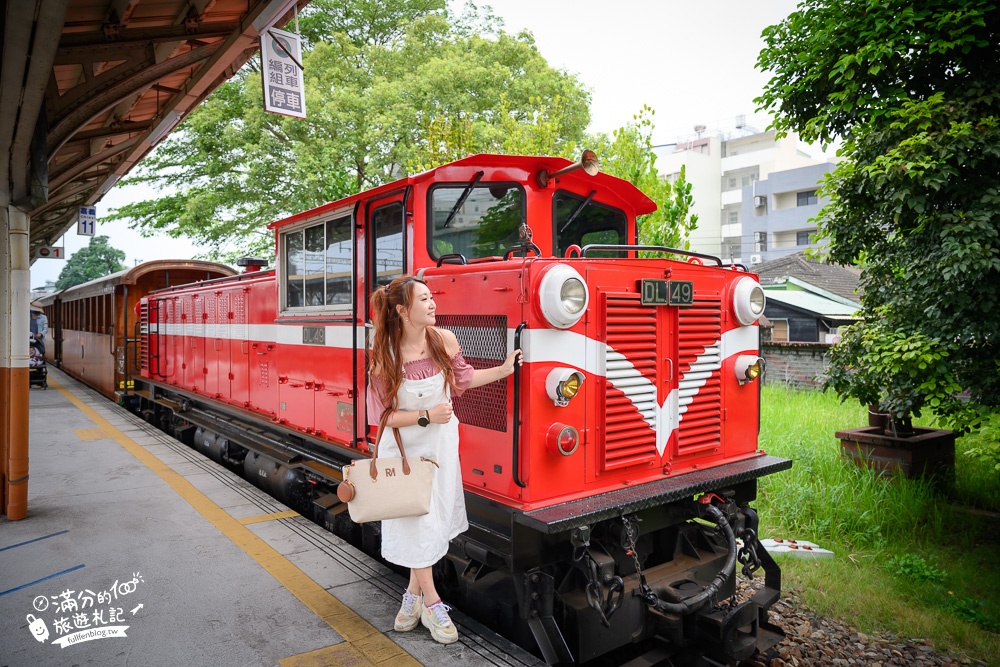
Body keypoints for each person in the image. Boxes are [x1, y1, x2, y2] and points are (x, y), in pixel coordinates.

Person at [367, 275, 521, 645]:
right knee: (417, 526)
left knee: (430, 525)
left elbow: (463, 381)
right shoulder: (385, 354)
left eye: (432, 296)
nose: (433, 303)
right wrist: (425, 416)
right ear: (403, 311)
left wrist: (503, 369)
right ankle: (434, 604)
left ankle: (411, 597)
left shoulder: (444, 341)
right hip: (404, 453)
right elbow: (381, 416)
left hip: (440, 449)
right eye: (424, 298)